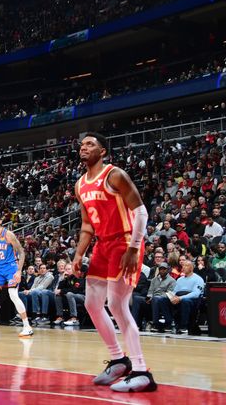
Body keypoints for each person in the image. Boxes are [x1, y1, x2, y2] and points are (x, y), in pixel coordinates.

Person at [72, 132, 158, 392]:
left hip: (125, 241)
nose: (84, 148)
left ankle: (143, 372)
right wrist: (78, 253)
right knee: (91, 303)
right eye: (82, 145)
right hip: (102, 244)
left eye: (90, 144)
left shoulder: (114, 174)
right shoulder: (79, 185)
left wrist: (134, 247)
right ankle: (120, 360)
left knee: (118, 305)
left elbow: (141, 211)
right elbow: (87, 225)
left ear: (103, 151)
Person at [0, 213, 32, 336]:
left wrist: (19, 271)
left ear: (0, 221)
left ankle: (27, 326)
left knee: (13, 295)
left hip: (11, 267)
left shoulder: (8, 234)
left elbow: (21, 252)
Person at [147, 263, 176, 331]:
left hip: (164, 300)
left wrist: (157, 297)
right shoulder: (154, 280)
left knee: (156, 299)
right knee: (137, 299)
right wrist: (148, 298)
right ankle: (136, 324)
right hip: (153, 298)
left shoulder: (172, 280)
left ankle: (155, 324)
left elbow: (169, 293)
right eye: (160, 269)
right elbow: (150, 291)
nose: (162, 271)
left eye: (164, 269)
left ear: (167, 270)